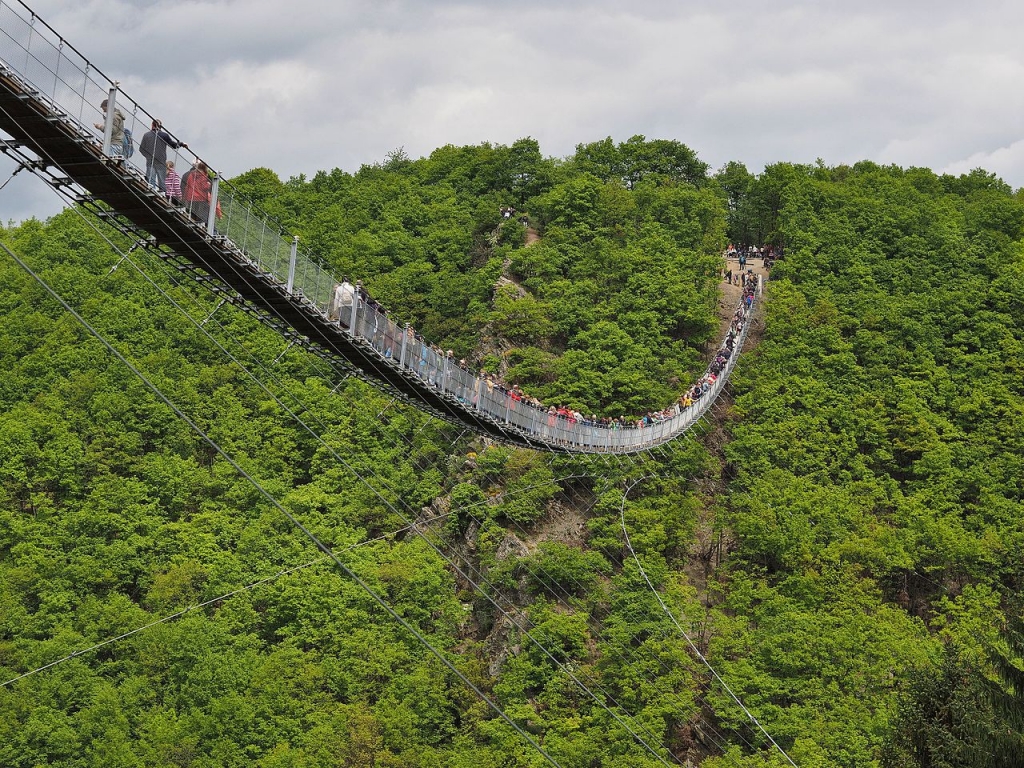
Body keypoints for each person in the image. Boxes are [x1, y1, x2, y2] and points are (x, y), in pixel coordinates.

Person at [139, 119, 187, 191]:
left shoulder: (146, 135)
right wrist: (181, 144)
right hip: (161, 160)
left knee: (150, 181)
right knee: (162, 182)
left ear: (152, 125)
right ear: (161, 126)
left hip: (150, 161)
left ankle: (151, 191)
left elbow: (141, 149)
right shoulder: (164, 135)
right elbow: (173, 145)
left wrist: (148, 156)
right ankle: (163, 193)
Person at [181, 160, 212, 224]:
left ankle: (192, 220)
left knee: (192, 211)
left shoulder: (190, 174)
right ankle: (200, 223)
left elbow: (187, 184)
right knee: (200, 213)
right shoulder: (203, 175)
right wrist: (208, 184)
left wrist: (184, 195)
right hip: (201, 197)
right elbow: (204, 186)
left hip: (190, 196)